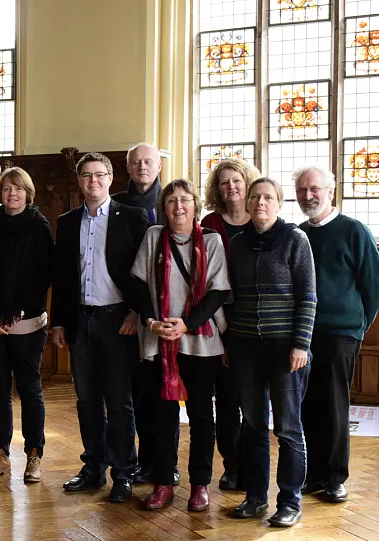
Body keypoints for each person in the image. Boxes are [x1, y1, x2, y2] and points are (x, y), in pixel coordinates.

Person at [51, 152, 151, 502]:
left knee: (120, 402)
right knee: (87, 400)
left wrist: (136, 313)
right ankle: (93, 466)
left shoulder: (133, 218)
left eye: (99, 175)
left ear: (111, 179)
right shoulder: (66, 222)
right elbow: (62, 279)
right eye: (86, 176)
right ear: (79, 182)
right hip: (80, 321)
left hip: (118, 322)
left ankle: (123, 471)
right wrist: (59, 321)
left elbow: (145, 273)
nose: (93, 182)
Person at [131, 180, 230, 512]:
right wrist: (151, 322)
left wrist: (187, 323)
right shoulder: (152, 237)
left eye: (185, 200)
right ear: (164, 206)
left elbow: (217, 291)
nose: (178, 206)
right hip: (159, 339)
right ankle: (163, 482)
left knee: (202, 416)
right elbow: (140, 285)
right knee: (161, 416)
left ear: (195, 205)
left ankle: (200, 484)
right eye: (171, 200)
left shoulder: (212, 241)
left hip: (199, 341)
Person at [228, 177, 317, 528]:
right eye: (255, 197)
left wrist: (301, 344)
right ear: (247, 205)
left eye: (268, 198)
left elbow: (308, 295)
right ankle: (255, 497)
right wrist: (230, 342)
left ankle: (290, 501)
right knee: (251, 426)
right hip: (245, 347)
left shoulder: (295, 239)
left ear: (279, 204)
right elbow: (231, 296)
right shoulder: (236, 244)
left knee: (288, 428)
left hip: (285, 349)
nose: (261, 203)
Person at [296, 165, 379, 503]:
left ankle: (334, 477)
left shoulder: (354, 231)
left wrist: (357, 328)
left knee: (333, 405)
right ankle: (313, 474)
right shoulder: (299, 233)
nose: (308, 196)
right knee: (307, 406)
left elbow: (373, 288)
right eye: (302, 190)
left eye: (314, 189)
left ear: (331, 191)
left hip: (339, 333)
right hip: (302, 334)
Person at [0, 167, 53, 483]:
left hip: (28, 322)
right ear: (0, 193)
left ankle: (34, 454)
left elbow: (45, 275)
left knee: (30, 390)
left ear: (28, 192)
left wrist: (19, 312)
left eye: (18, 189)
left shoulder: (39, 226)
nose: (12, 194)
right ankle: (0, 454)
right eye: (7, 188)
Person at [111, 142, 176, 486]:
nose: (142, 166)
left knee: (165, 395)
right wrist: (134, 310)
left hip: (168, 311)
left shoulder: (172, 201)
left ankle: (166, 463)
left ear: (159, 166)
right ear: (128, 167)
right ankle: (141, 461)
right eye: (135, 162)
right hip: (129, 310)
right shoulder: (118, 204)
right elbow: (118, 263)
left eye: (148, 161)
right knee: (137, 394)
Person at [201, 157, 260, 491]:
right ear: (217, 189)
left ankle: (253, 465)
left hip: (256, 322)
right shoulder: (209, 223)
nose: (231, 187)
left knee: (252, 400)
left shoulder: (262, 218)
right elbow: (206, 281)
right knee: (226, 401)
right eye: (224, 182)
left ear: (247, 183)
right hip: (220, 321)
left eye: (236, 180)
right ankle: (232, 466)